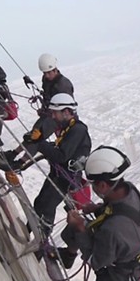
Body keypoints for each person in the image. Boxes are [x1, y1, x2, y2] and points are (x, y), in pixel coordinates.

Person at [56, 145, 140, 281]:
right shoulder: (129, 189)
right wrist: (98, 209)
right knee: (75, 228)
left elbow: (95, 260)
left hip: (118, 278)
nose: (92, 188)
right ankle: (68, 256)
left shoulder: (113, 230)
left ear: (103, 185)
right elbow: (121, 208)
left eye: (93, 184)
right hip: (130, 255)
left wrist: (81, 228)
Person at [24, 93, 91, 242]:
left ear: (66, 112)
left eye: (55, 113)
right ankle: (28, 230)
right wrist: (40, 141)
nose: (53, 117)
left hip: (66, 178)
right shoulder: (69, 128)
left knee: (47, 206)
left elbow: (61, 156)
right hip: (59, 173)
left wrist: (39, 143)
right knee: (40, 202)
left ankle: (42, 243)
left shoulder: (77, 130)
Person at [2, 53, 74, 170]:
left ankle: (21, 162)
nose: (46, 75)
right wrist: (43, 107)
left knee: (36, 138)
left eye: (49, 73)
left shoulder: (63, 85)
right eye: (44, 73)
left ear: (55, 70)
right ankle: (14, 153)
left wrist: (47, 112)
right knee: (33, 134)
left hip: (59, 118)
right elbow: (47, 97)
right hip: (50, 114)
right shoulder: (46, 79)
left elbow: (64, 106)